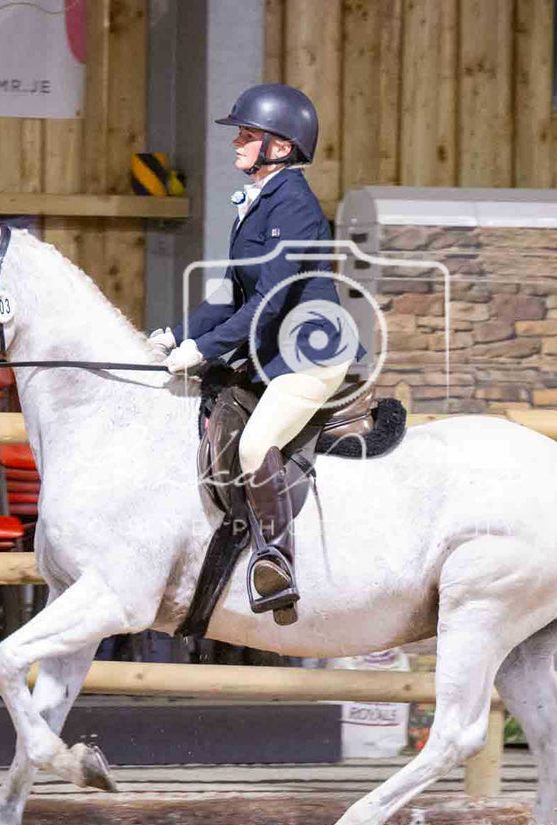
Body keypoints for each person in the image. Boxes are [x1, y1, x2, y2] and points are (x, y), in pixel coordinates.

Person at [149, 83, 365, 621]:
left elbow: (268, 302)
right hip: (274, 350)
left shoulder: (294, 207)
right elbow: (232, 293)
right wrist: (175, 335)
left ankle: (276, 560)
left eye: (248, 135)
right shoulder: (260, 202)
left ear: (282, 147)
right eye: (241, 134)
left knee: (255, 444)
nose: (236, 143)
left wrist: (203, 351)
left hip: (311, 355)